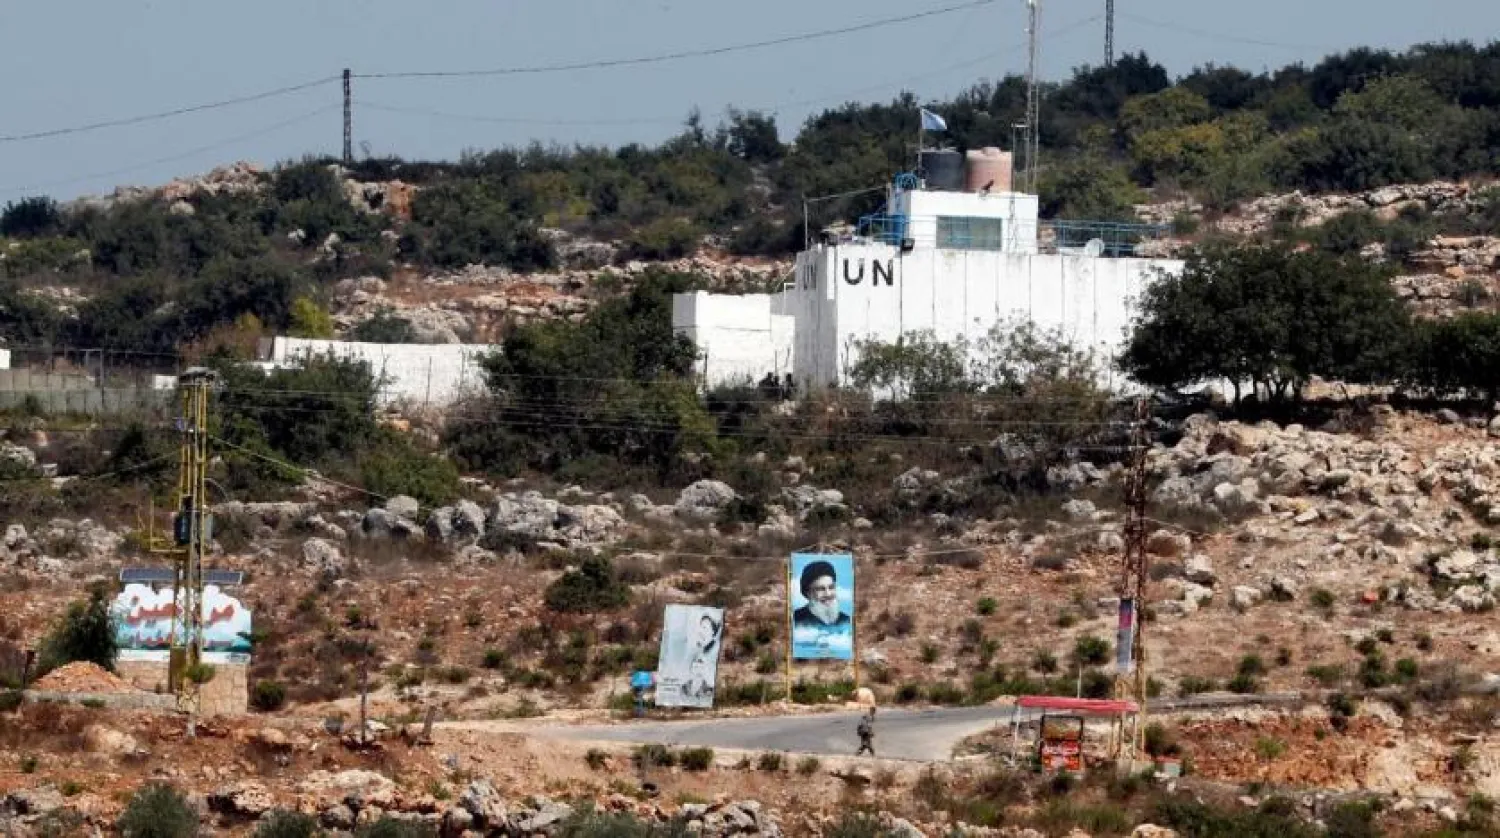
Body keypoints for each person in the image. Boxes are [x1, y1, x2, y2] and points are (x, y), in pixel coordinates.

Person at [793, 560, 851, 630]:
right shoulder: (795, 619)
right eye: (821, 589)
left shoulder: (846, 621)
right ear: (808, 593)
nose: (828, 594)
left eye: (831, 587)